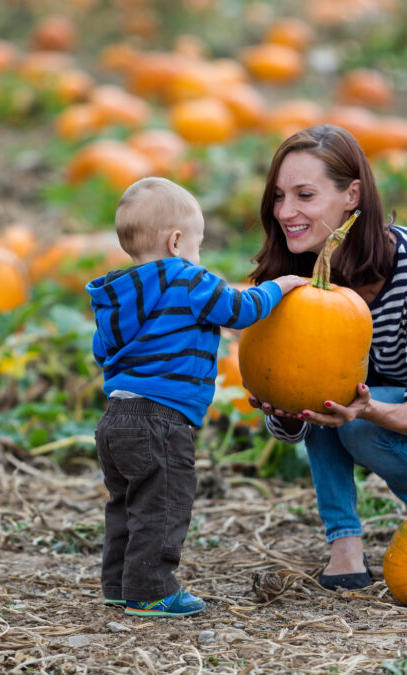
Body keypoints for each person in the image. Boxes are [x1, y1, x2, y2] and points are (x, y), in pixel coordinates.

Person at [247, 125, 407, 590]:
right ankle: (344, 548)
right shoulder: (294, 274)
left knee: (353, 413)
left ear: (352, 195)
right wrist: (285, 412)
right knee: (329, 399)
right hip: (374, 409)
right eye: (278, 196)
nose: (286, 212)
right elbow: (294, 417)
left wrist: (365, 409)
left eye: (305, 195)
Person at [87, 176, 305, 617]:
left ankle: (118, 584)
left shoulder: (118, 294)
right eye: (197, 246)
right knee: (164, 504)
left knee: (126, 505)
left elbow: (100, 351)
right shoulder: (187, 279)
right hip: (161, 418)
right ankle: (151, 591)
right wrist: (280, 287)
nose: (199, 256)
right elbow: (239, 311)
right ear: (176, 241)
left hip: (116, 418)